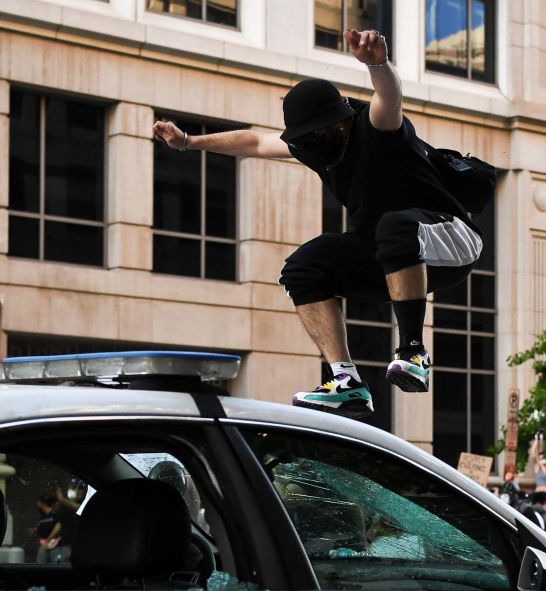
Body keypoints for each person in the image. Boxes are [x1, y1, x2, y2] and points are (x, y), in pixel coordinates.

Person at [152, 29, 486, 419]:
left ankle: (413, 351)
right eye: (303, 139)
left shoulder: (373, 128)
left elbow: (389, 98)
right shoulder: (312, 145)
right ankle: (345, 381)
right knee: (302, 268)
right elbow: (255, 142)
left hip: (453, 239)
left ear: (339, 122)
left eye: (316, 135)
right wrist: (189, 141)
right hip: (395, 256)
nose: (309, 146)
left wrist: (377, 63)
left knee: (394, 226)